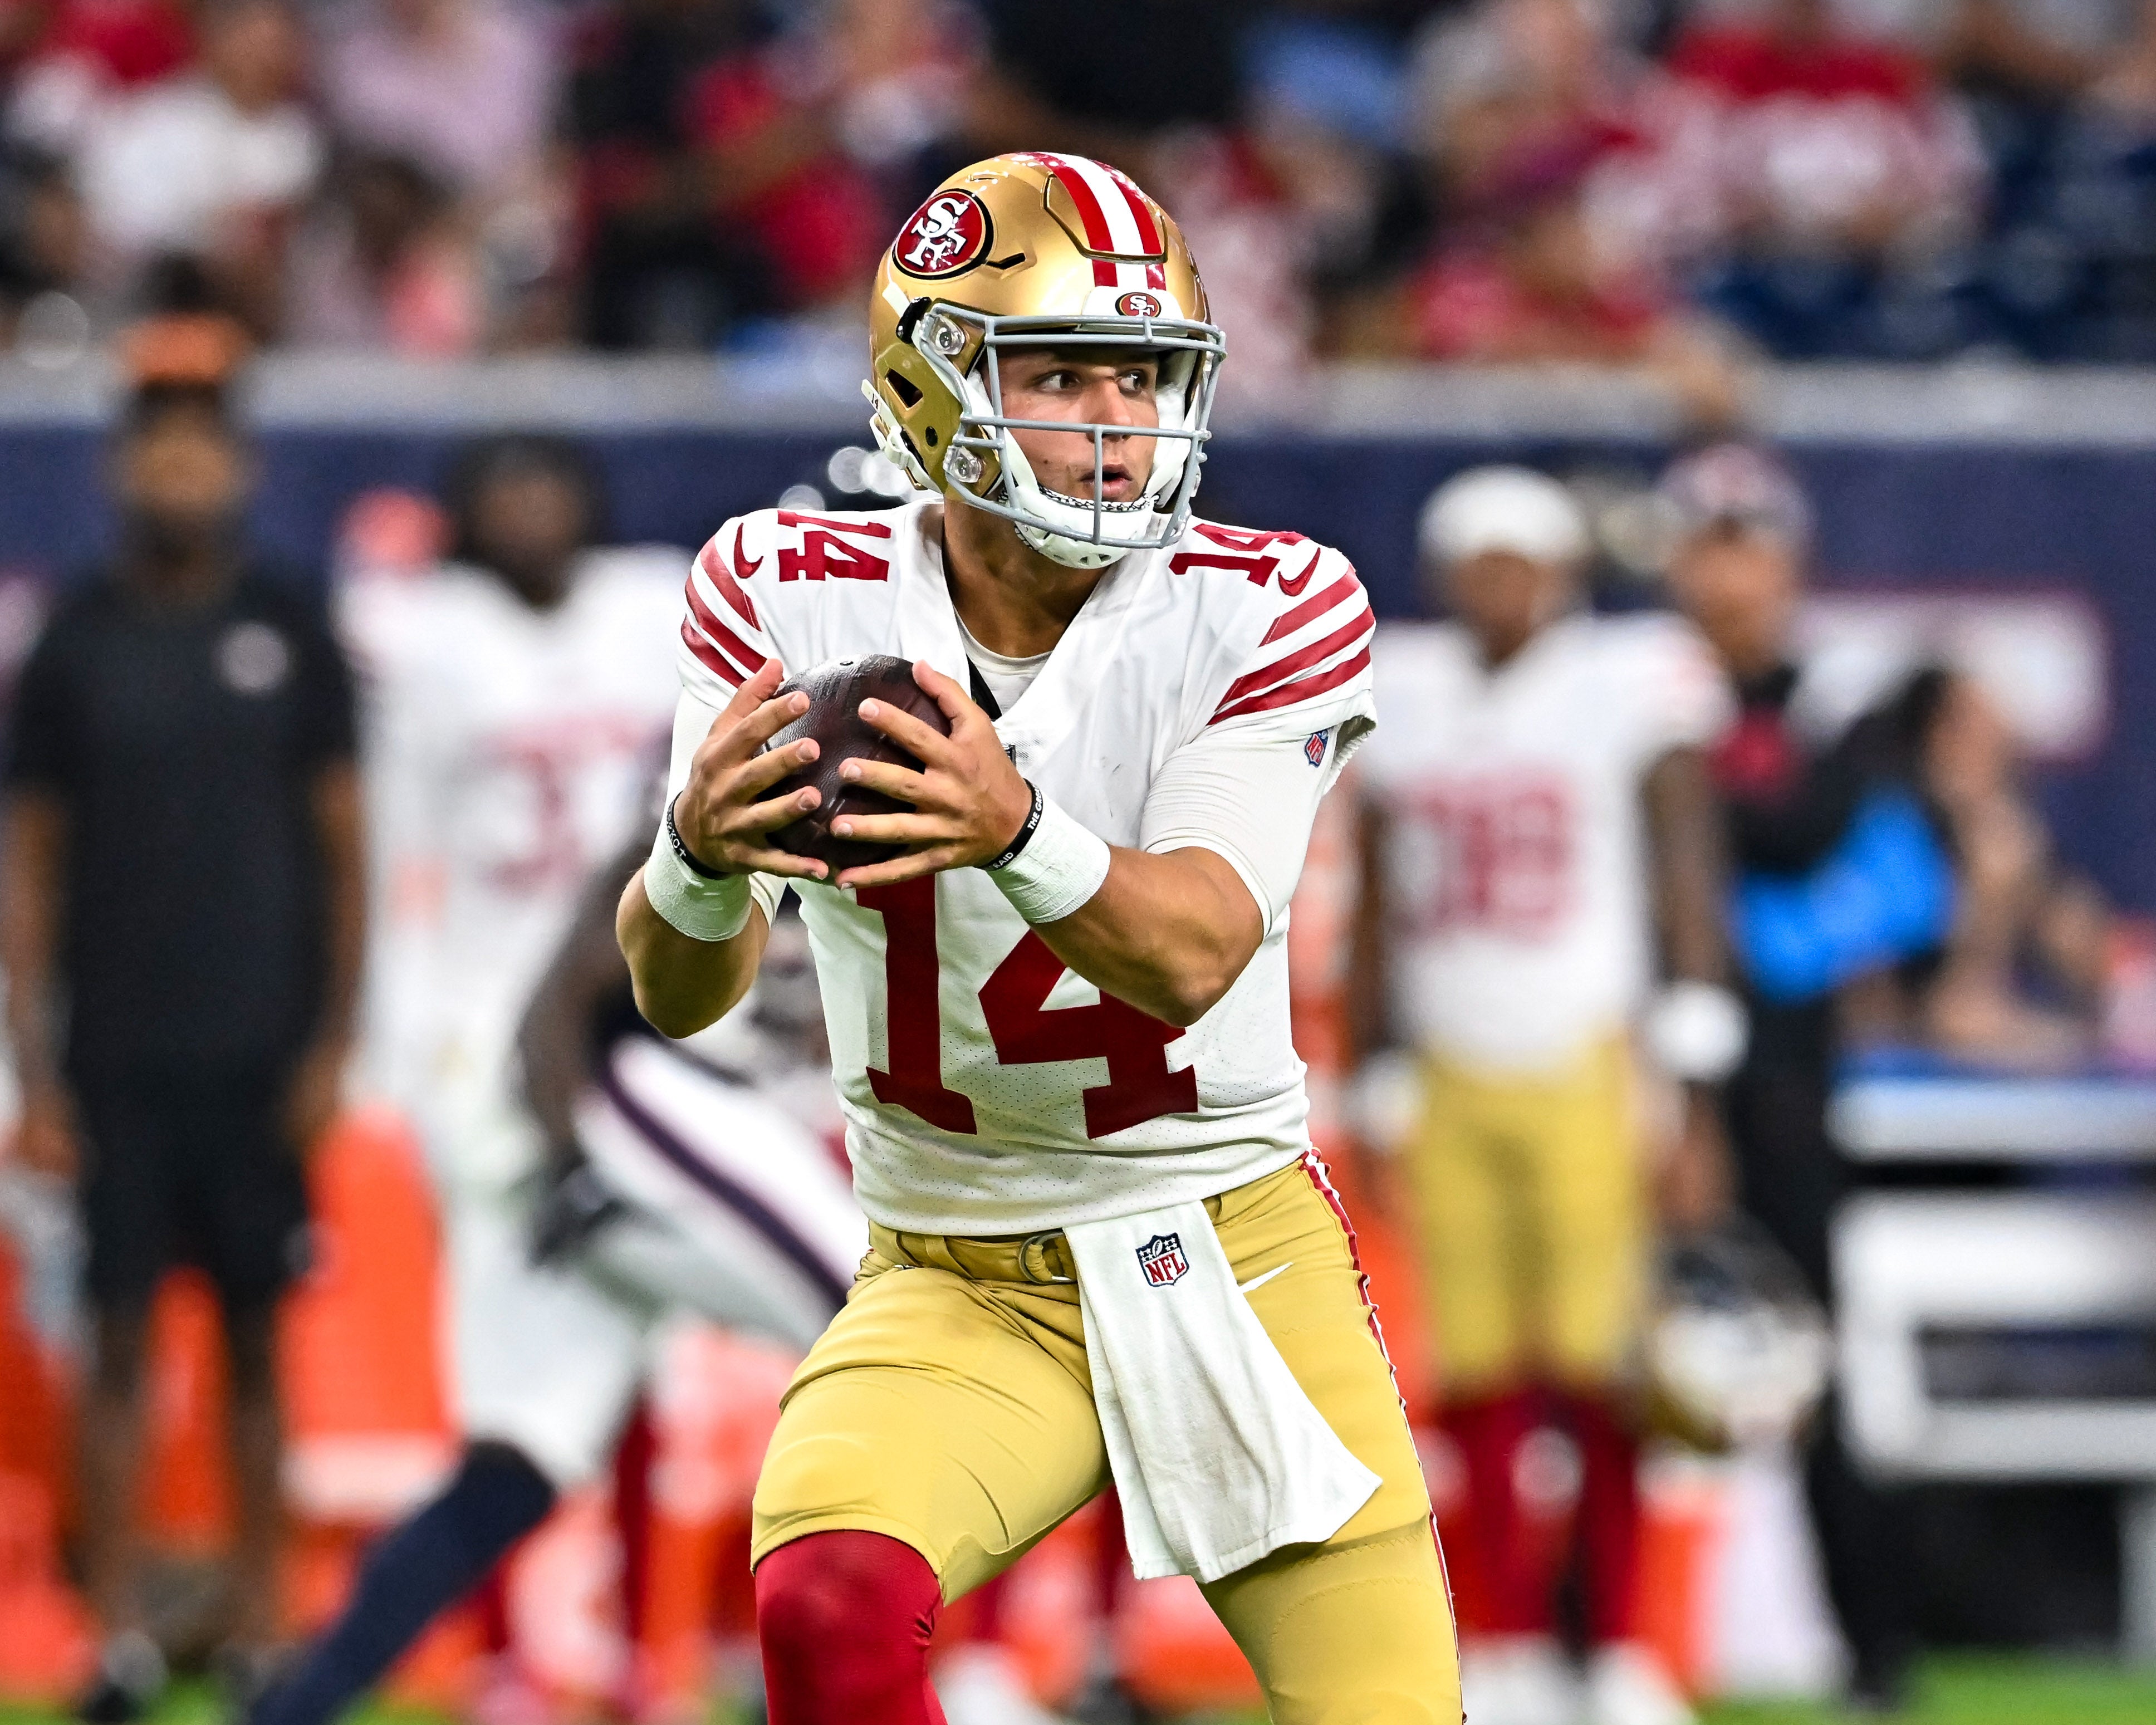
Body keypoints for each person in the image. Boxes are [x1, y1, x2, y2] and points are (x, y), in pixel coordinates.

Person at [617, 150, 1459, 1724]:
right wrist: (697, 860)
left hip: (1225, 1242)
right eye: (1063, 371)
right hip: (957, 1265)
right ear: (931, 386)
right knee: (825, 1610)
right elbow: (677, 992)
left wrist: (1016, 825)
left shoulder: (1269, 603)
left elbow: (1198, 947)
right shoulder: (783, 588)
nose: (1113, 423)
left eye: (1145, 379)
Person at [246, 837, 865, 1725]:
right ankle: (865, 1679)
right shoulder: (748, 785)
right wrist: (570, 1162)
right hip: (623, 1114)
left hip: (647, 1140)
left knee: (511, 1474)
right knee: (888, 1328)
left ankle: (289, 1710)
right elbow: (568, 984)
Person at [0, 354, 364, 1720]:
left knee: (262, 1340)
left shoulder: (292, 626)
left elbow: (345, 850)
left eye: (203, 451)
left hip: (261, 1052)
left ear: (244, 470)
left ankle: (265, 1625)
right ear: (116, 471)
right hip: (115, 1054)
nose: (180, 473)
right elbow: (29, 860)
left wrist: (332, 1046)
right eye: (157, 451)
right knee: (114, 1337)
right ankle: (118, 1642)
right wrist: (34, 1066)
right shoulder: (76, 637)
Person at [1349, 467, 1736, 1725]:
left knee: (1602, 1369)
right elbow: (1372, 901)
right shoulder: (1401, 690)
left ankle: (1614, 1646)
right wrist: (1375, 1068)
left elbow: (1683, 858)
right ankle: (1506, 1644)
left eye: (1518, 561)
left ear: (1562, 571)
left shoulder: (1619, 684)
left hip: (1586, 1047)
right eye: (1477, 562)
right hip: (1453, 1056)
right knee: (1474, 1379)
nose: (1496, 586)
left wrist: (1690, 1063)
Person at [1659, 443, 1949, 1713]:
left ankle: (1871, 1648)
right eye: (1708, 544)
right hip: (1644, 1067)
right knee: (1604, 1368)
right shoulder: (1637, 684)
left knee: (1811, 1364)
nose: (1728, 572)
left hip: (1776, 1079)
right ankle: (1589, 1642)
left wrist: (1697, 810)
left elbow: (1822, 839)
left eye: (1749, 545)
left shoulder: (1826, 700)